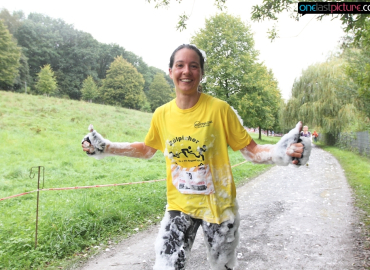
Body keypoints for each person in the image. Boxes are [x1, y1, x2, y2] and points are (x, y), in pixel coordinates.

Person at [81, 44, 311, 270]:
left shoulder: (220, 110)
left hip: (219, 208)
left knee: (223, 267)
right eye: (180, 65)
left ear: (201, 73)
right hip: (180, 206)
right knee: (167, 265)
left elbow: (251, 151)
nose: (186, 71)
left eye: (194, 66)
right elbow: (146, 149)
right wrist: (106, 147)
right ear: (170, 71)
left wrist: (282, 151)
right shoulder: (161, 114)